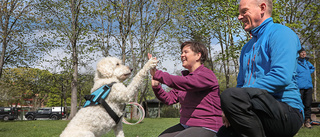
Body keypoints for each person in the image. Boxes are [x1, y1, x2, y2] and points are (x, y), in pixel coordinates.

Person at [217, 0, 304, 137]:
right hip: (253, 109)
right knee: (222, 134)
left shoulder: (281, 33)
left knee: (230, 95)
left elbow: (281, 76)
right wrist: (229, 108)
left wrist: (234, 99)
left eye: (244, 11)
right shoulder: (246, 48)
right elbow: (241, 85)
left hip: (286, 110)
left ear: (262, 8)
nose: (239, 17)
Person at [148, 41, 223, 137]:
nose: (182, 55)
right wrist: (156, 87)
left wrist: (158, 74)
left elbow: (186, 83)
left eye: (186, 52)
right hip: (186, 125)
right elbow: (169, 99)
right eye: (182, 52)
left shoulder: (206, 75)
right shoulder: (186, 79)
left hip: (207, 126)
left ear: (198, 56)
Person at [296, 47, 315, 128]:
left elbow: (312, 68)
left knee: (307, 104)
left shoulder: (307, 62)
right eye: (302, 52)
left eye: (304, 52)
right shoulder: (295, 63)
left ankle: (307, 121)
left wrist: (307, 73)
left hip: (308, 86)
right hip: (300, 87)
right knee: (300, 105)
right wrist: (299, 76)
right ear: (298, 54)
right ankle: (299, 122)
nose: (304, 54)